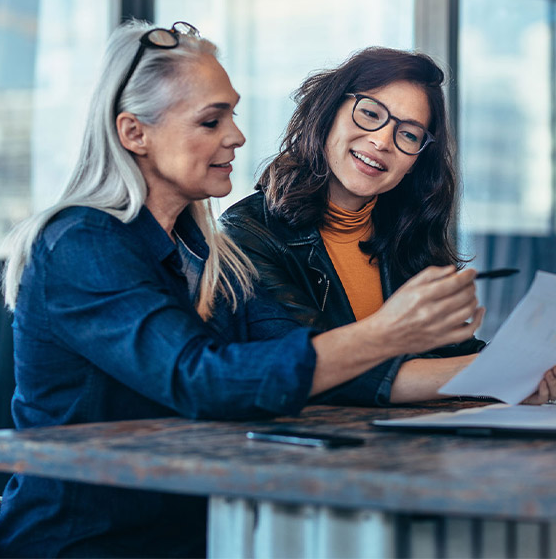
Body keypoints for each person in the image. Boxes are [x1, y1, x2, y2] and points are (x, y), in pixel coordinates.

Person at [0, 21, 551, 558]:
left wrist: (505, 370)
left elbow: (299, 358)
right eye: (212, 121)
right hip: (95, 544)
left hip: (206, 529)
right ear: (134, 133)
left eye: (232, 116)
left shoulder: (211, 254)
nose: (236, 134)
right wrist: (390, 333)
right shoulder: (80, 243)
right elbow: (204, 380)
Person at [221, 46, 556, 406]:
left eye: (409, 135)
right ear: (328, 113)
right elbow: (312, 370)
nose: (381, 142)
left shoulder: (408, 231)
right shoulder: (248, 232)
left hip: (408, 449)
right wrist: (495, 371)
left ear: (415, 161)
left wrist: (530, 371)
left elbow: (449, 352)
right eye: (369, 114)